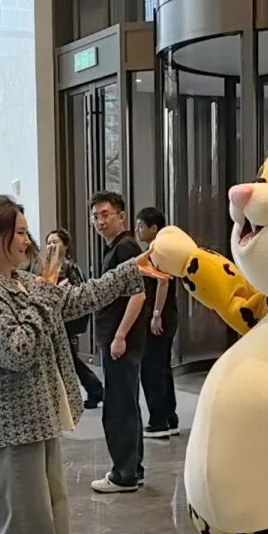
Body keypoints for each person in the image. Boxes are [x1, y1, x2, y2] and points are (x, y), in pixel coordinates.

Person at [0, 194, 154, 534]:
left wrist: (136, 268)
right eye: (20, 232)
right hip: (13, 426)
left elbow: (81, 298)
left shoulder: (23, 283)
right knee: (22, 529)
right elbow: (17, 350)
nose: (28, 241)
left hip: (41, 420)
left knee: (48, 526)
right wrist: (46, 294)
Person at [89, 191, 148, 493]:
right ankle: (132, 468)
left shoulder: (125, 248)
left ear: (121, 216)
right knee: (126, 403)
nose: (99, 221)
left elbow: (138, 295)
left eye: (105, 214)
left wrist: (120, 335)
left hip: (121, 340)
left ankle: (123, 474)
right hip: (117, 338)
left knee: (119, 407)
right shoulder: (116, 247)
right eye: (95, 216)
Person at [45, 228, 103, 408]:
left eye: (55, 242)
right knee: (68, 358)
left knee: (69, 358)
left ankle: (93, 390)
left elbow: (79, 292)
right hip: (55, 319)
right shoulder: (47, 268)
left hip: (68, 320)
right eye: (49, 242)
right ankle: (92, 390)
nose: (51, 246)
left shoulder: (70, 267)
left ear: (65, 245)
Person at [134, 207, 179, 437]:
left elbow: (163, 282)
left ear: (154, 228)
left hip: (160, 317)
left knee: (152, 369)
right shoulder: (162, 249)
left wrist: (156, 314)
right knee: (162, 368)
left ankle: (159, 422)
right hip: (166, 316)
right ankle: (170, 418)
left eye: (141, 226)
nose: (137, 230)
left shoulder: (157, 251)